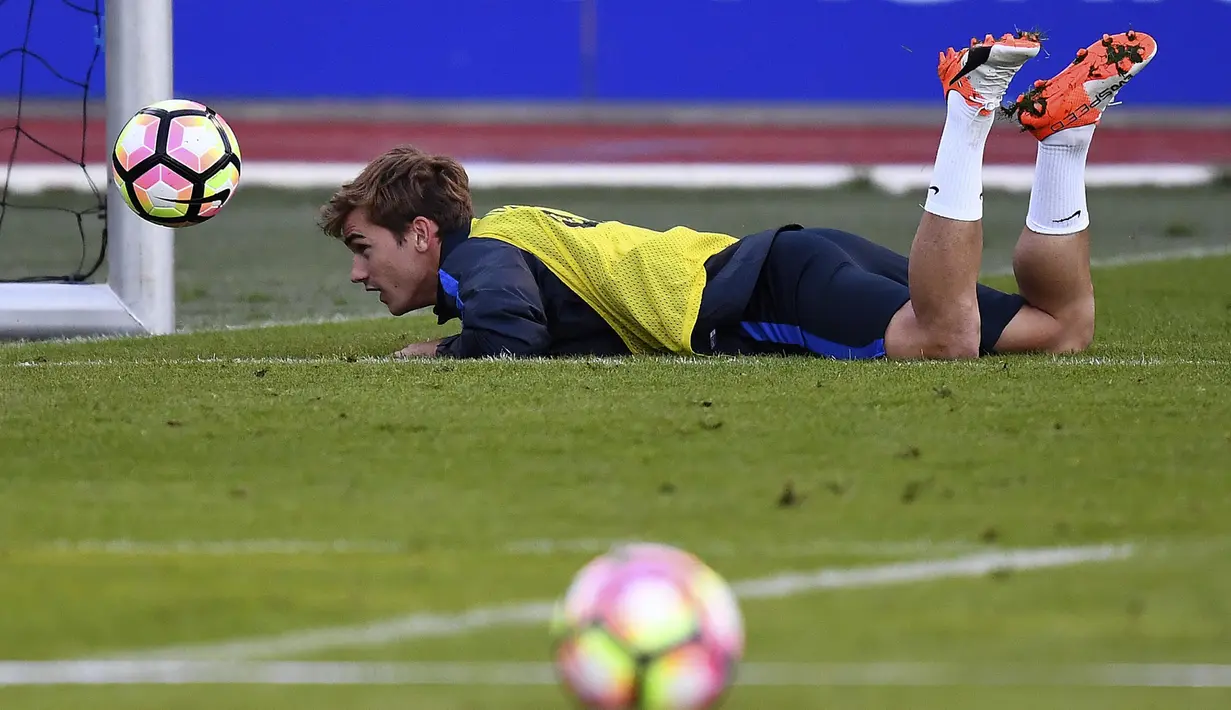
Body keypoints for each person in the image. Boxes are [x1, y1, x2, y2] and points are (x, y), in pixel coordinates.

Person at [318, 30, 1157, 361]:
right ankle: (1064, 138)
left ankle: (967, 114)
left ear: (422, 233)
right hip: (787, 258)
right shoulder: (505, 232)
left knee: (940, 342)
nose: (360, 274)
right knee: (1061, 333)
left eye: (364, 248)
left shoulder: (479, 256)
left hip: (760, 291)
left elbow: (509, 339)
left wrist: (442, 353)